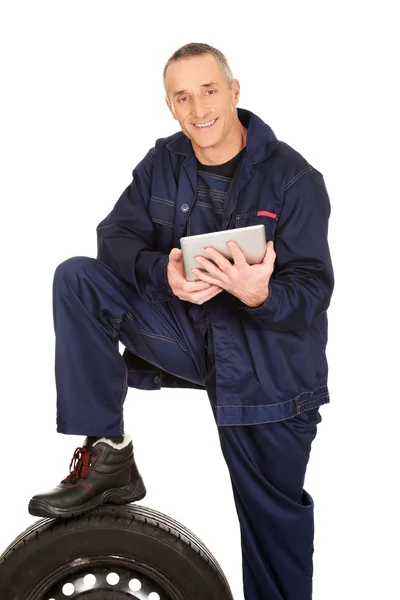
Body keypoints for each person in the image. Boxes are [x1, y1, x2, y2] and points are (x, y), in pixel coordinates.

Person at [29, 42, 334, 600]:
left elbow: (314, 289)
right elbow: (114, 238)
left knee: (274, 531)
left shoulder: (293, 179)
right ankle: (108, 457)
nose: (198, 109)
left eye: (209, 91)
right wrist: (160, 271)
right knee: (77, 279)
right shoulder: (163, 163)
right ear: (170, 106)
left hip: (269, 374)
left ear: (235, 92)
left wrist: (260, 294)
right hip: (187, 337)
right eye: (182, 97)